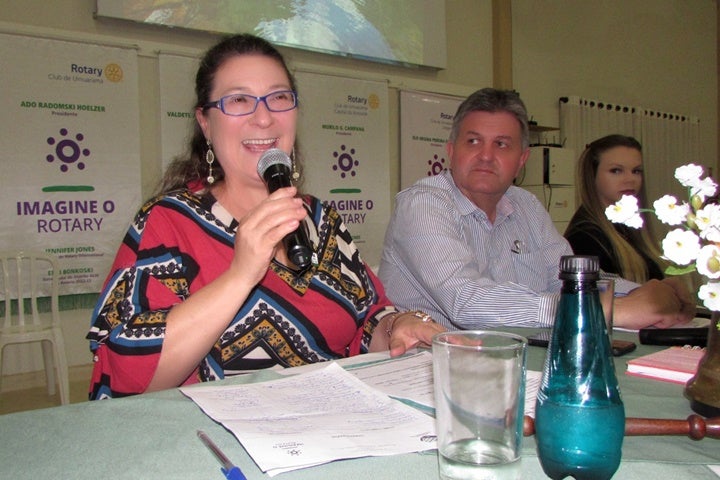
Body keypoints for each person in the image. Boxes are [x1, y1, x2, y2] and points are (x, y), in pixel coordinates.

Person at [86, 34, 443, 400]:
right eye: (239, 100)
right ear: (205, 122)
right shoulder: (169, 222)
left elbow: (366, 323)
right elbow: (127, 376)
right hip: (208, 431)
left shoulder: (323, 221)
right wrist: (241, 275)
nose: (263, 117)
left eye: (279, 98)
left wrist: (397, 326)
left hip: (328, 421)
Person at [379, 88, 695, 331]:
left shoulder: (525, 205)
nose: (486, 156)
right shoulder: (423, 204)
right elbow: (466, 302)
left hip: (518, 361)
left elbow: (566, 280)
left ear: (522, 160)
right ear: (451, 151)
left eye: (501, 144)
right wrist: (603, 310)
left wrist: (649, 295)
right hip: (428, 370)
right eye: (473, 142)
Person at [564, 134, 664, 282]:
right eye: (616, 171)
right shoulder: (585, 238)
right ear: (592, 176)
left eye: (636, 171)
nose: (630, 179)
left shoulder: (628, 225)